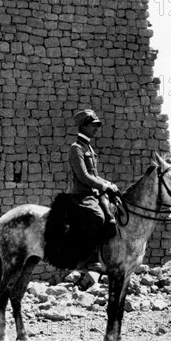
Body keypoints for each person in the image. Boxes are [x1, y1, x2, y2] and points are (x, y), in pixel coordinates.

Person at [66, 109, 119, 270]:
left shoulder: (88, 148)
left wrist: (109, 183)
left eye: (97, 125)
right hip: (80, 194)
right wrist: (104, 186)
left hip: (92, 193)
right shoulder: (76, 148)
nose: (96, 128)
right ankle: (87, 258)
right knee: (97, 217)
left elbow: (94, 175)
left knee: (115, 212)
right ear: (83, 127)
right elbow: (83, 176)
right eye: (93, 125)